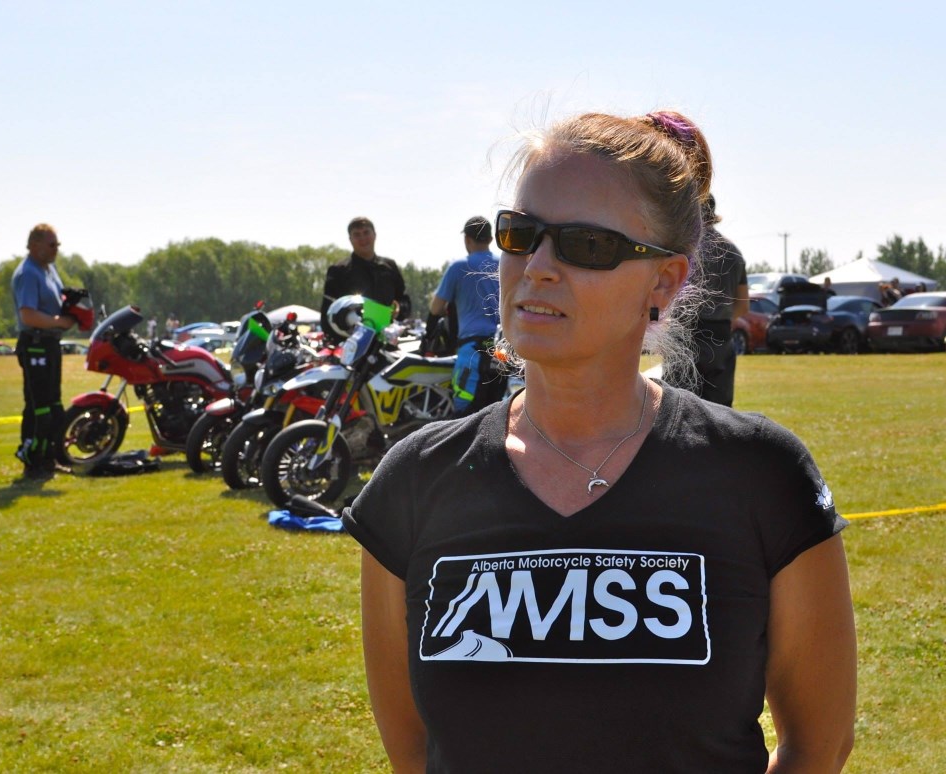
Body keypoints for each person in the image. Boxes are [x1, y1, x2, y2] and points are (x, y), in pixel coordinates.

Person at [344, 110, 856, 772]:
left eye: (586, 245)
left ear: (665, 283)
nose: (538, 268)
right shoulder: (415, 480)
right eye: (520, 234)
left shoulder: (762, 474)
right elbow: (414, 751)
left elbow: (819, 746)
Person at [664, 192, 747, 406]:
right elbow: (743, 304)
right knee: (719, 412)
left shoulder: (682, 250)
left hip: (685, 335)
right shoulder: (733, 253)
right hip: (720, 337)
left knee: (679, 409)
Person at [12, 223, 76, 480]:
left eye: (57, 245)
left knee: (54, 403)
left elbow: (57, 300)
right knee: (39, 407)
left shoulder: (49, 269)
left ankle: (49, 457)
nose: (56, 250)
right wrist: (60, 322)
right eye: (52, 245)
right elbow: (28, 314)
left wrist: (75, 308)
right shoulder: (28, 273)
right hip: (35, 342)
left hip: (50, 343)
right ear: (34, 245)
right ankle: (32, 461)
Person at [428, 216, 506, 416]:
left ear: (467, 240)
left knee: (464, 416)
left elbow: (436, 308)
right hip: (503, 351)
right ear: (490, 239)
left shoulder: (458, 267)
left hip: (471, 350)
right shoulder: (506, 265)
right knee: (496, 416)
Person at [320, 217, 409, 339]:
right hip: (353, 343)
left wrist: (399, 309)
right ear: (350, 239)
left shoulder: (390, 266)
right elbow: (328, 315)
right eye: (357, 235)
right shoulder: (338, 271)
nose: (362, 238)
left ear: (375, 235)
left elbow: (404, 300)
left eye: (366, 232)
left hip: (387, 340)